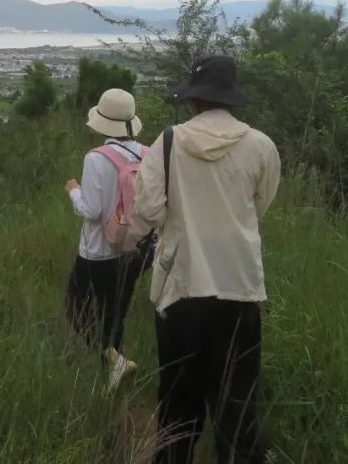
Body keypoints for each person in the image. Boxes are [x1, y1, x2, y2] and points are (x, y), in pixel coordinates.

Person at [135, 56, 280, 464]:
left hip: (181, 287)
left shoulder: (166, 143)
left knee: (179, 398)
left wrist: (179, 222)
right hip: (239, 284)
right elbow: (260, 205)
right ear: (232, 100)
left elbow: (149, 212)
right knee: (237, 399)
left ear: (193, 102)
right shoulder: (261, 146)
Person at [63, 88, 153, 390]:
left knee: (75, 309)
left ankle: (112, 359)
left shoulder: (97, 159)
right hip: (133, 247)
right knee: (115, 313)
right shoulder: (147, 154)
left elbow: (90, 211)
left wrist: (73, 190)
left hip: (97, 251)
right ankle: (116, 363)